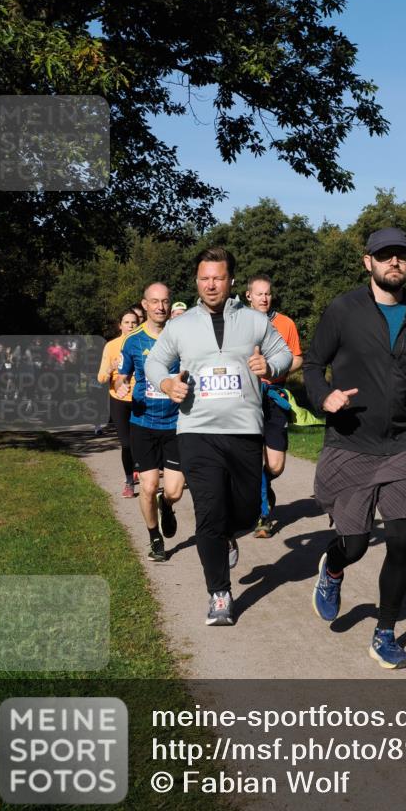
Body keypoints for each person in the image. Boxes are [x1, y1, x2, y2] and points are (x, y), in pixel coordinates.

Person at [304, 228, 406, 669]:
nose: (394, 262)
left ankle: (385, 634)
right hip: (351, 440)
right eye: (384, 255)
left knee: (402, 541)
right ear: (367, 261)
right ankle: (333, 568)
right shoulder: (343, 310)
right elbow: (313, 364)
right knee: (354, 544)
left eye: (401, 255)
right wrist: (324, 397)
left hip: (402, 445)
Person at [145, 247, 292, 626]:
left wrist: (269, 365)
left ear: (231, 281)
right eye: (204, 278)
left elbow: (284, 354)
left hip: (244, 430)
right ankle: (219, 593)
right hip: (197, 431)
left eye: (218, 278)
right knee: (208, 512)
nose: (211, 285)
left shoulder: (254, 321)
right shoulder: (181, 326)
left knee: (246, 511)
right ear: (197, 281)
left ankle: (229, 534)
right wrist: (166, 383)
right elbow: (154, 361)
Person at [115, 283, 186, 562]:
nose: (160, 307)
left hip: (176, 423)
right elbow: (121, 376)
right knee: (147, 486)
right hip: (143, 422)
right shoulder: (132, 341)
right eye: (154, 301)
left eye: (165, 301)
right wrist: (121, 385)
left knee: (174, 491)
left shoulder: (180, 336)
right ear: (144, 305)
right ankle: (155, 538)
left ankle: (166, 505)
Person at [245, 274, 304, 537]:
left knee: (276, 465)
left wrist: (275, 368)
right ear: (249, 296)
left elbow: (298, 358)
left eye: (268, 293)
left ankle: (263, 487)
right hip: (245, 398)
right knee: (251, 457)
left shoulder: (285, 323)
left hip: (274, 396)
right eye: (259, 294)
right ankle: (263, 516)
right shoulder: (239, 323)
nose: (264, 298)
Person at [97, 309, 139, 496]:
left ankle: (144, 474)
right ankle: (129, 481)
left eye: (134, 322)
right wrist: (111, 368)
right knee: (127, 444)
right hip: (119, 399)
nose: (130, 326)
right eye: (126, 322)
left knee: (141, 442)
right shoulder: (111, 346)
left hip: (140, 398)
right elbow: (101, 378)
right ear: (120, 325)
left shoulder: (143, 343)